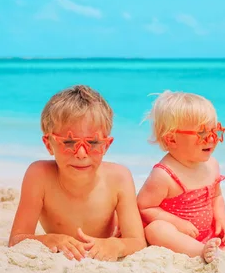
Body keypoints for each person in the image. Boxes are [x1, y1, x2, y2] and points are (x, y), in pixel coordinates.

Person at [8, 85, 146, 261]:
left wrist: (115, 244)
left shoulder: (119, 178)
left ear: (106, 145)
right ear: (49, 144)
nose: (81, 154)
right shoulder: (39, 176)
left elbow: (137, 241)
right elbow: (16, 239)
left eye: (93, 143)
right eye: (69, 142)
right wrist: (49, 239)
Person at [137, 90, 225, 263]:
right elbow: (145, 207)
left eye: (215, 131)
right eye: (202, 134)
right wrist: (177, 223)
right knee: (156, 230)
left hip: (208, 232)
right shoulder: (164, 174)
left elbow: (217, 197)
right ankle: (200, 251)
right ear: (171, 140)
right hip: (180, 236)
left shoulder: (212, 164)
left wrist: (222, 219)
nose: (211, 139)